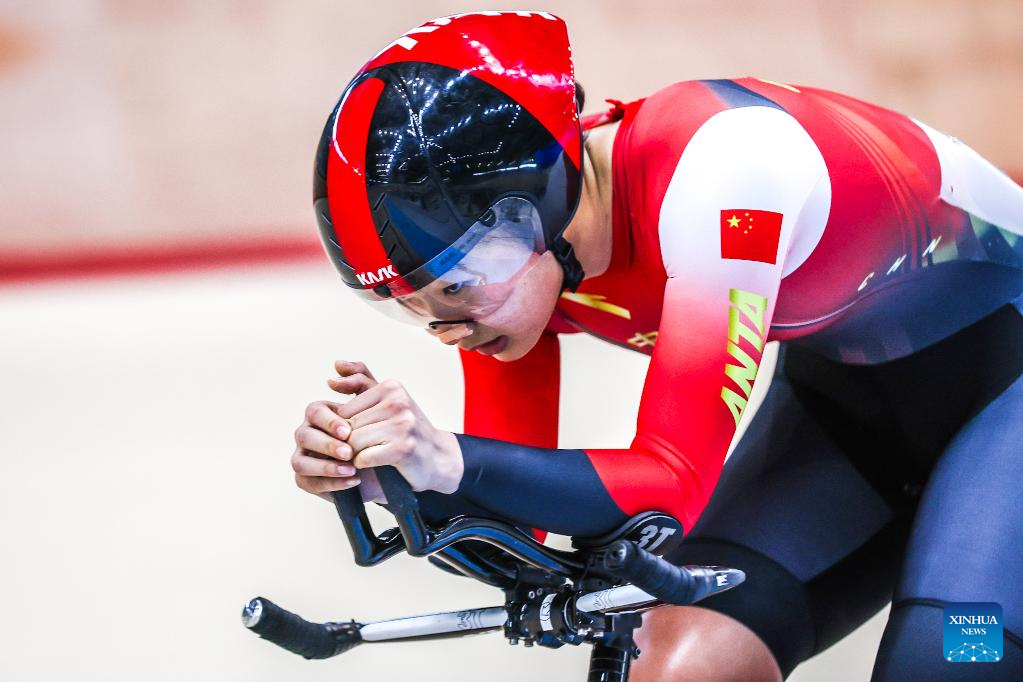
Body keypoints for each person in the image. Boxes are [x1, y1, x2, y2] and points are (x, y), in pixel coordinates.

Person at [290, 11, 1023, 681]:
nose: (445, 325)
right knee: (674, 665)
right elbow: (516, 525)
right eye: (408, 304)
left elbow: (669, 483)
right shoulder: (512, 266)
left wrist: (447, 460)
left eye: (453, 285)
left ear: (538, 203)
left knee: (950, 665)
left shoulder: (726, 173)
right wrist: (397, 480)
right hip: (849, 414)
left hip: (1009, 384)